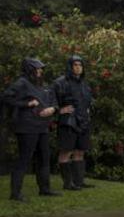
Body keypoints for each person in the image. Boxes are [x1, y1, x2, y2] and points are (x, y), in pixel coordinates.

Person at [2, 58, 61, 201]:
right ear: (30, 69)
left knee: (44, 158)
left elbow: (54, 101)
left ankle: (45, 189)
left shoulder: (43, 86)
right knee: (24, 159)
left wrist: (52, 109)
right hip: (27, 126)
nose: (40, 71)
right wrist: (26, 103)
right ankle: (15, 194)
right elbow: (5, 98)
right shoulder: (21, 83)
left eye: (41, 69)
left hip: (42, 126)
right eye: (37, 69)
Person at [52, 54, 95, 190]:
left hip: (83, 122)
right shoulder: (60, 82)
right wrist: (59, 110)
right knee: (66, 151)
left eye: (80, 65)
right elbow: (50, 100)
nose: (78, 67)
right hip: (68, 122)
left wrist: (88, 112)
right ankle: (67, 183)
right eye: (75, 65)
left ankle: (79, 181)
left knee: (80, 151)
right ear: (70, 67)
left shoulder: (84, 84)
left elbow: (88, 102)